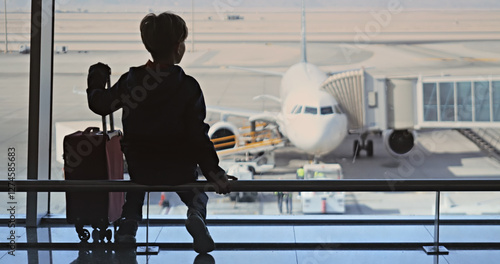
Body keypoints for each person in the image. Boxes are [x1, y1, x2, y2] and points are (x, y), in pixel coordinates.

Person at [86, 12, 236, 254]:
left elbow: (100, 104)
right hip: (179, 167)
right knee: (197, 194)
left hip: (141, 165)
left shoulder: (131, 81)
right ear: (178, 48)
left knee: (134, 193)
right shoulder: (188, 86)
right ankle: (195, 215)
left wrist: (96, 80)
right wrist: (214, 172)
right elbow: (198, 136)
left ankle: (127, 230)